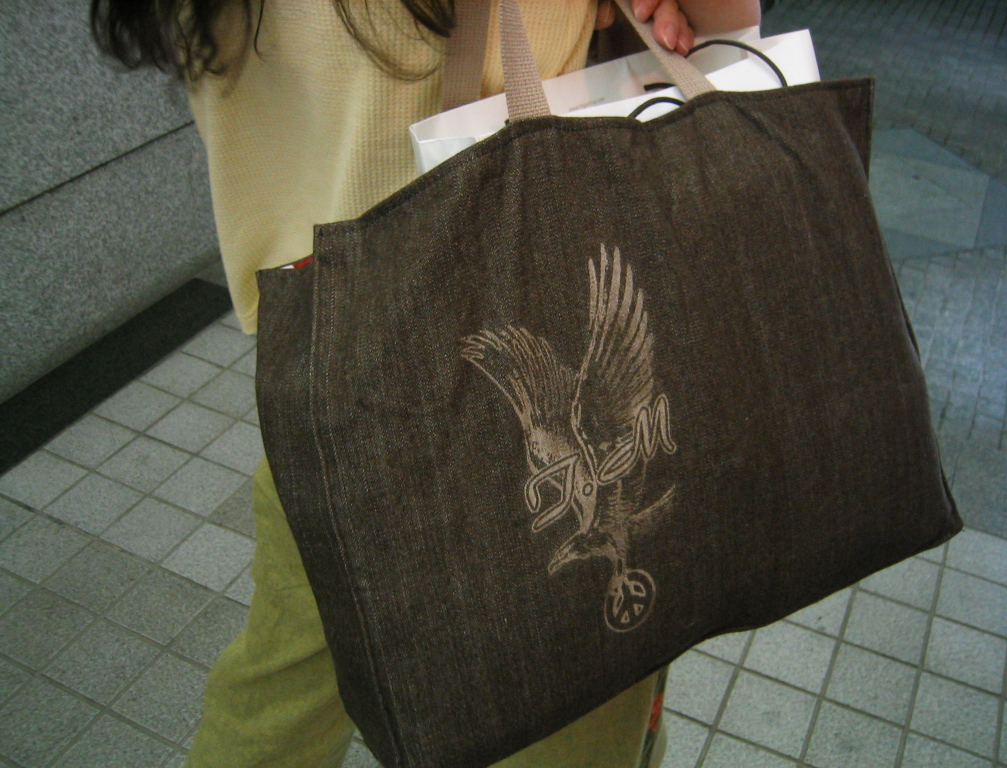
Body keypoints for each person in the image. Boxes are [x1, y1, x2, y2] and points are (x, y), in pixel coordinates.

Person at [91, 1, 761, 766]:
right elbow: (719, 26)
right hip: (510, 361)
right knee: (575, 707)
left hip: (327, 390)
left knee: (279, 701)